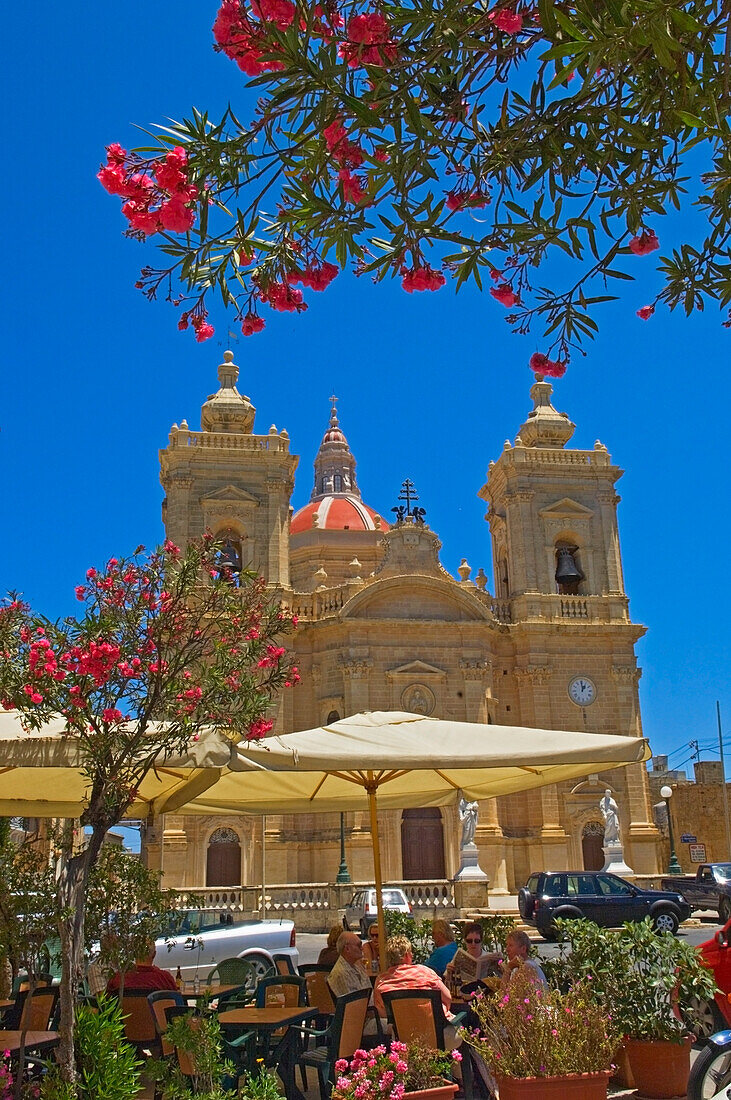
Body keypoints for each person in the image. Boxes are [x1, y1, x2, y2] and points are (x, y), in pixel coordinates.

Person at [373, 934, 451, 1020]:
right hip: (432, 1027)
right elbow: (447, 998)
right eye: (411, 952)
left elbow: (381, 1011)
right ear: (407, 955)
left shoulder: (381, 981)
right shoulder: (425, 972)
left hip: (400, 1030)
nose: (412, 955)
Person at [105, 941, 177, 994]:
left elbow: (107, 1003)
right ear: (154, 954)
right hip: (156, 1014)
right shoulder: (165, 979)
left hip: (126, 1014)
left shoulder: (117, 978)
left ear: (134, 954)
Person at [328, 930, 371, 999]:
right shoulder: (341, 973)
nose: (362, 948)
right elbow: (354, 1003)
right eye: (359, 945)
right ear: (347, 949)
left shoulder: (355, 967)